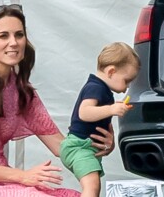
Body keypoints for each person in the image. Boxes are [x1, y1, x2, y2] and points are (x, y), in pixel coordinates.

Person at [0, 4, 114, 197]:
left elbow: (60, 146)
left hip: (5, 182)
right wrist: (23, 176)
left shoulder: (21, 91)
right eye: (3, 36)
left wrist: (92, 147)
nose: (14, 42)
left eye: (19, 35)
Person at [60, 42, 141, 197]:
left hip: (86, 148)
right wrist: (111, 109)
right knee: (92, 186)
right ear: (111, 71)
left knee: (93, 186)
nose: (127, 87)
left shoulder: (102, 90)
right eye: (126, 80)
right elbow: (84, 112)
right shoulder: (95, 87)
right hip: (79, 147)